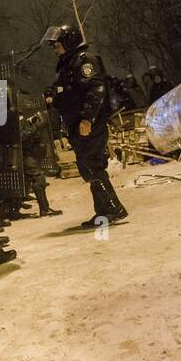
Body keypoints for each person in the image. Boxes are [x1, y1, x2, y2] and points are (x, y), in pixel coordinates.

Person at [43, 24, 129, 228]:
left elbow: (95, 90)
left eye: (57, 45)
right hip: (77, 125)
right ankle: (104, 211)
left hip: (89, 125)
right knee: (88, 167)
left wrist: (86, 119)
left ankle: (113, 208)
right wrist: (53, 96)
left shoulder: (85, 61)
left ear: (68, 42)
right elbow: (69, 94)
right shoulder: (68, 65)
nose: (55, 50)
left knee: (92, 166)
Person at [22, 111, 62, 217]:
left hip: (27, 153)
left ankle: (45, 208)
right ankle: (44, 209)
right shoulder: (10, 120)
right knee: (38, 179)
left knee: (39, 179)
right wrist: (37, 127)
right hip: (22, 155)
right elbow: (22, 137)